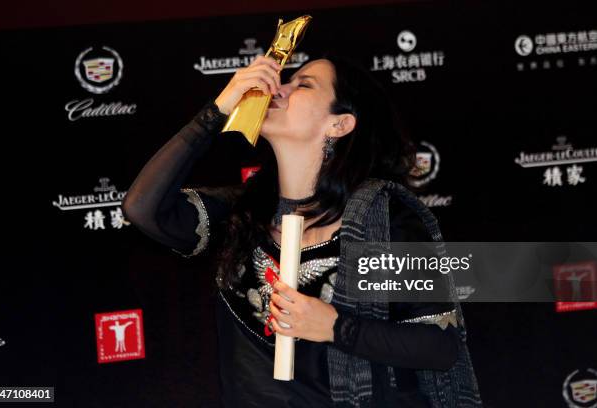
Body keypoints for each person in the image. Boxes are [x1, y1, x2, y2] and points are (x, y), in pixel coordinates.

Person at [122, 53, 482, 407]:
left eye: (303, 84)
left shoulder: (386, 221)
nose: (279, 89)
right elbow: (142, 208)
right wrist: (216, 111)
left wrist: (335, 327)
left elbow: (439, 345)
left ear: (339, 124)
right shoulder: (241, 214)